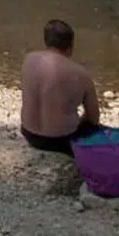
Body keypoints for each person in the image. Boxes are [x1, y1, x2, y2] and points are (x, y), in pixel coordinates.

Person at [19, 19, 100, 153]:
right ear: (71, 45)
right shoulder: (81, 74)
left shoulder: (28, 60)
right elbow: (94, 118)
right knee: (93, 128)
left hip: (29, 133)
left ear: (46, 41)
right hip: (61, 141)